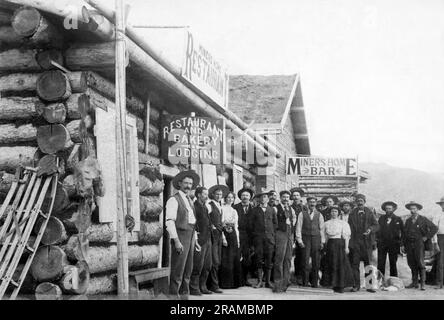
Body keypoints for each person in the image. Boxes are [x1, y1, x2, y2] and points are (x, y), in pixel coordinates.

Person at [165, 170, 201, 300]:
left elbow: (193, 222)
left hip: (190, 237)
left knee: (188, 270)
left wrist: (195, 240)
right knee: (177, 270)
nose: (188, 186)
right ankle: (174, 297)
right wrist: (176, 241)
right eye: (185, 183)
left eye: (190, 183)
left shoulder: (190, 200)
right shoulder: (173, 200)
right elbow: (169, 222)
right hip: (180, 236)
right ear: (179, 183)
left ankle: (185, 297)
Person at [403, 201, 438, 290]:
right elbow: (404, 233)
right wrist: (403, 244)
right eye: (411, 209)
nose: (412, 210)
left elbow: (434, 228)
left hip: (419, 243)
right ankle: (414, 283)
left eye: (414, 208)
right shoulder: (408, 220)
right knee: (411, 263)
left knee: (420, 263)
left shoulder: (423, 219)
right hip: (409, 244)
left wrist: (426, 237)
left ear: (418, 209)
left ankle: (422, 283)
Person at [348, 193, 379, 292]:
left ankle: (370, 286)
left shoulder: (370, 212)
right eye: (358, 201)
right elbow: (349, 228)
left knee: (368, 264)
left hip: (367, 243)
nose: (360, 203)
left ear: (364, 202)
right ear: (356, 203)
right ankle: (356, 285)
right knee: (355, 264)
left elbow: (376, 225)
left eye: (361, 201)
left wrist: (370, 230)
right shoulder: (352, 214)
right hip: (355, 242)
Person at [249, 188, 278, 288]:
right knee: (258, 259)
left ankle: (268, 282)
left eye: (265, 196)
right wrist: (255, 236)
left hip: (269, 239)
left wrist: (271, 235)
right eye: (261, 197)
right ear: (258, 199)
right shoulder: (254, 210)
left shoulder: (272, 210)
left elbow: (275, 224)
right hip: (258, 239)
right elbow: (251, 225)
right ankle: (259, 281)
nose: (263, 198)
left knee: (269, 259)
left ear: (268, 198)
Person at [296, 196, 325, 288]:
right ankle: (305, 282)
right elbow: (298, 227)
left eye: (313, 202)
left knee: (316, 261)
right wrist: (299, 240)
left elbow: (322, 229)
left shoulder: (319, 215)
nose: (312, 204)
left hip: (316, 239)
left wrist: (322, 242)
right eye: (310, 202)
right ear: (307, 203)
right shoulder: (302, 214)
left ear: (316, 203)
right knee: (304, 261)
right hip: (305, 239)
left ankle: (315, 283)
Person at [323, 206, 354, 293]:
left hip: (339, 244)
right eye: (332, 211)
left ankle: (340, 285)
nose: (334, 213)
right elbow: (325, 237)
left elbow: (346, 236)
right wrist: (325, 246)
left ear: (338, 213)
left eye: (335, 211)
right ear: (330, 213)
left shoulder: (343, 223)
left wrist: (346, 247)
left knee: (339, 264)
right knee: (331, 263)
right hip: (330, 244)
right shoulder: (326, 223)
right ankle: (332, 284)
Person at [190, 187, 213, 296]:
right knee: (198, 265)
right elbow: (193, 224)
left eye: (207, 194)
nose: (206, 196)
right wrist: (196, 239)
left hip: (208, 238)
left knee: (207, 265)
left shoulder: (205, 207)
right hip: (199, 240)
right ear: (198, 195)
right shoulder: (195, 207)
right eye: (204, 194)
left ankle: (203, 286)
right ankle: (194, 288)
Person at [206, 184, 229, 293]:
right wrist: (211, 225)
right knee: (214, 261)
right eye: (217, 194)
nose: (219, 196)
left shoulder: (220, 206)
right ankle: (213, 286)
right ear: (212, 195)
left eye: (220, 194)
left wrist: (223, 234)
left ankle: (214, 284)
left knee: (218, 260)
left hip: (219, 235)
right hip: (212, 236)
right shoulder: (209, 205)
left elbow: (220, 221)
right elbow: (205, 217)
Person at [273, 190, 297, 293]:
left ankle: (286, 281)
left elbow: (293, 220)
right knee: (279, 259)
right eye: (284, 197)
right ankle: (278, 284)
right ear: (280, 198)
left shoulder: (291, 209)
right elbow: (273, 223)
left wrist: (291, 232)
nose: (286, 199)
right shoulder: (275, 208)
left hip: (289, 234)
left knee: (288, 259)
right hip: (280, 234)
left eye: (287, 197)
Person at [233, 187, 255, 287]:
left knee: (247, 258)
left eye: (247, 195)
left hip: (249, 237)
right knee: (237, 257)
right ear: (240, 197)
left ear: (250, 197)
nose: (245, 197)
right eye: (243, 195)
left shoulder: (253, 208)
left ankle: (246, 279)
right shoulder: (235, 207)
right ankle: (238, 280)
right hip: (238, 235)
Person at [219, 192, 241, 289]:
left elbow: (236, 226)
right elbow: (221, 224)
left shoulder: (234, 210)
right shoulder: (222, 209)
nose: (230, 199)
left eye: (232, 197)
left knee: (233, 259)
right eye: (228, 197)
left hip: (233, 236)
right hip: (225, 234)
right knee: (226, 259)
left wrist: (238, 240)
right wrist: (223, 238)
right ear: (225, 198)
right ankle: (225, 283)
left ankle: (233, 283)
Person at [376, 201, 404, 277]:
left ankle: (393, 280)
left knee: (393, 263)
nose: (388, 210)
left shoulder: (398, 219)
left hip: (394, 244)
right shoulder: (381, 218)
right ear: (385, 210)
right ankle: (380, 280)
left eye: (390, 208)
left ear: (393, 209)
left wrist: (401, 244)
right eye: (387, 208)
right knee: (381, 263)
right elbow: (377, 230)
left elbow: (403, 232)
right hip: (382, 244)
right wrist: (378, 240)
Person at [290, 187, 307, 285]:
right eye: (294, 195)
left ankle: (300, 276)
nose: (296, 197)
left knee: (301, 254)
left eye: (297, 195)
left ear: (300, 197)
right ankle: (291, 275)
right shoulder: (289, 207)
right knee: (289, 254)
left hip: (301, 233)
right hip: (291, 232)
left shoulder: (304, 207)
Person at [432, 196, 444, 289]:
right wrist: (435, 243)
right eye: (443, 204)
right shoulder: (437, 216)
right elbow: (434, 231)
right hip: (441, 239)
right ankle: (439, 283)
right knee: (440, 261)